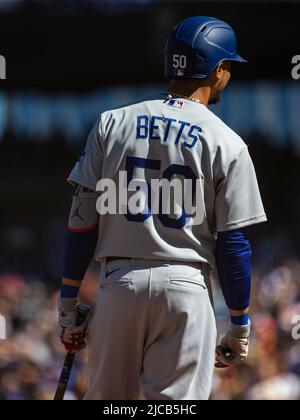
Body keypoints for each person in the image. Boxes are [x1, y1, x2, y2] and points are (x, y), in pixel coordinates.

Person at [58, 16, 267, 400]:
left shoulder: (112, 122)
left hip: (119, 283)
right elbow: (233, 246)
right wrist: (239, 324)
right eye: (229, 67)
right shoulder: (228, 142)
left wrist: (69, 300)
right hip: (185, 288)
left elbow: (82, 222)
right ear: (218, 71)